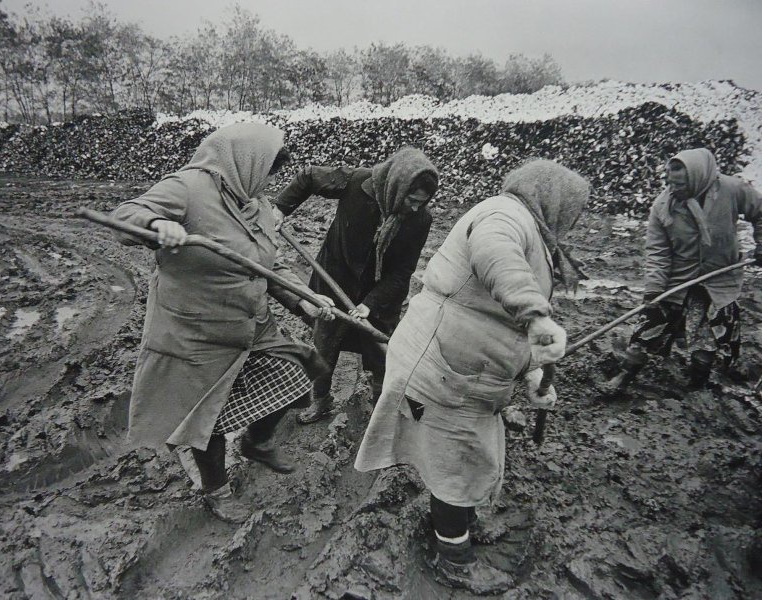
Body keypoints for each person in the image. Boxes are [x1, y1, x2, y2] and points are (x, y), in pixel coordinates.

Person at [354, 159, 590, 594]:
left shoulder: (525, 225)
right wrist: (537, 315)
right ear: (553, 203)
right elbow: (496, 255)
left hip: (464, 370)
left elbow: (504, 321)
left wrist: (534, 370)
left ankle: (455, 520)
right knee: (455, 463)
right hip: (444, 371)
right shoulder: (502, 216)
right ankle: (454, 559)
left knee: (460, 457)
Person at [111, 123, 336, 520]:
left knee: (302, 370)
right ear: (244, 164)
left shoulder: (258, 204)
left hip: (251, 323)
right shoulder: (189, 188)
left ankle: (257, 442)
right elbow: (126, 214)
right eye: (268, 174)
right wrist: (155, 226)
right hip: (197, 331)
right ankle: (217, 490)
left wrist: (308, 300)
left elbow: (270, 264)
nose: (269, 185)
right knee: (206, 416)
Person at [272, 147, 439, 423]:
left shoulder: (420, 219)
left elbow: (403, 271)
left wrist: (369, 304)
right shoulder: (358, 182)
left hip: (380, 294)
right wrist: (280, 208)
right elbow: (309, 176)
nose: (414, 207)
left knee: (380, 352)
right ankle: (322, 400)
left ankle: (380, 407)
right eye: (411, 199)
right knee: (325, 343)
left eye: (421, 202)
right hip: (336, 279)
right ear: (397, 186)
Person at [606, 148, 762, 393]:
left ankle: (696, 386)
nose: (674, 189)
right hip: (679, 278)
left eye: (681, 184)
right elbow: (658, 253)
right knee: (649, 327)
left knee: (709, 337)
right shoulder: (663, 206)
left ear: (698, 179)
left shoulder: (732, 190)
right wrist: (654, 291)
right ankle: (625, 375)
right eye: (670, 182)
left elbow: (760, 211)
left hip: (720, 277)